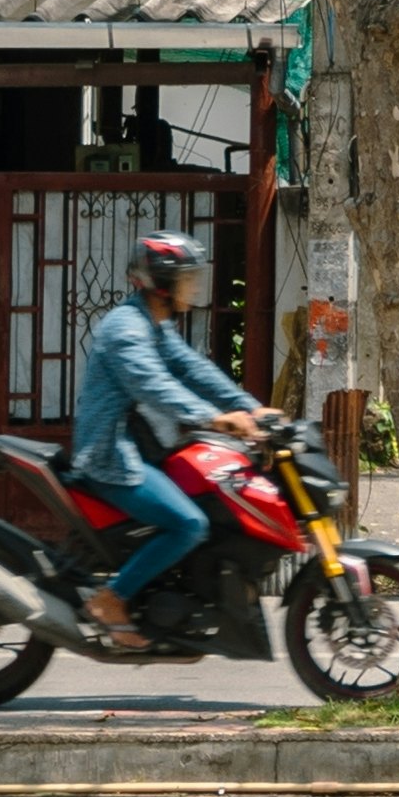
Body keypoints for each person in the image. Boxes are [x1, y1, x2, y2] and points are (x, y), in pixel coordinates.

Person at [68, 230, 257, 651]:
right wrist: (216, 419)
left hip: (141, 448)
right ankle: (110, 601)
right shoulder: (126, 329)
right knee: (189, 524)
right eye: (187, 278)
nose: (194, 287)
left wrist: (251, 407)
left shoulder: (155, 324)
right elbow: (156, 387)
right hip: (109, 454)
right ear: (162, 282)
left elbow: (193, 369)